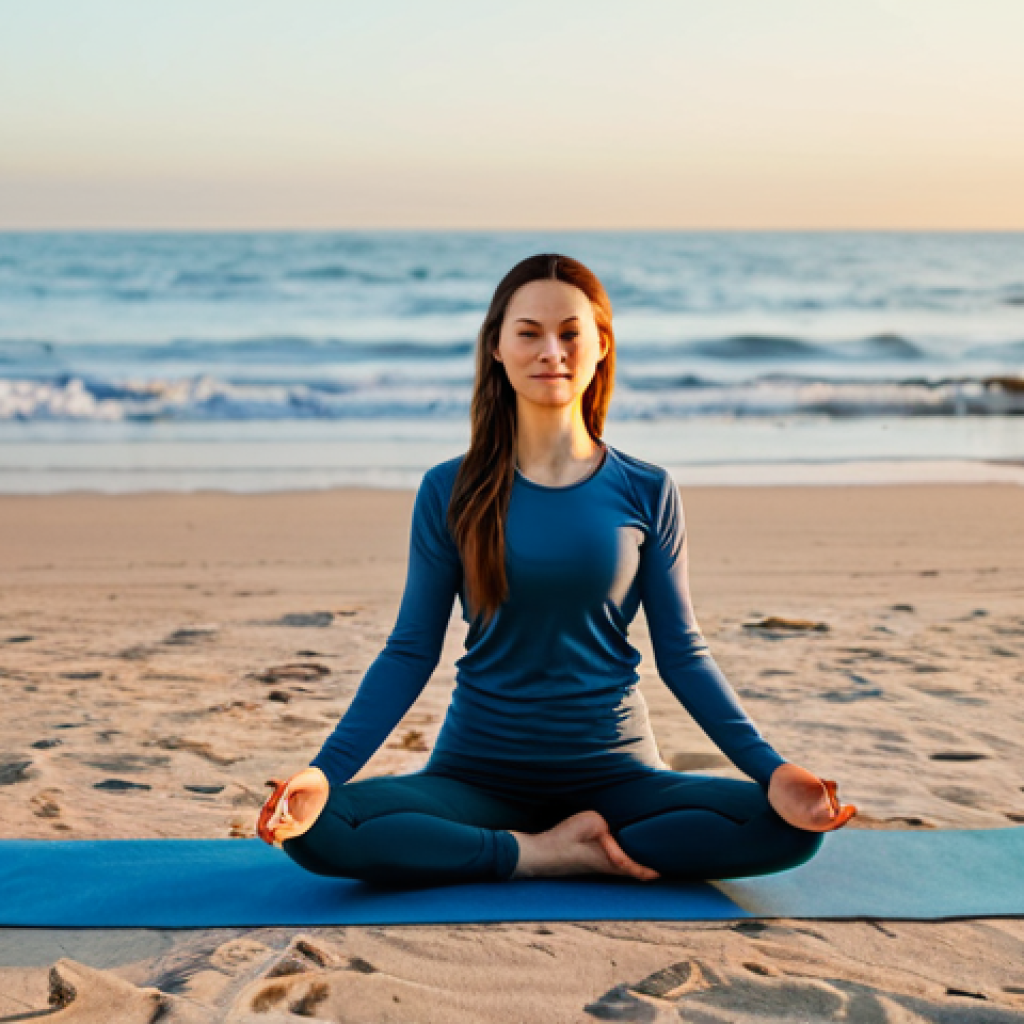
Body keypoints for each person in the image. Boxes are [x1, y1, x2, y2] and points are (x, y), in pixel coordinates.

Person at [258, 253, 856, 887]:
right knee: (318, 831)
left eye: (571, 333)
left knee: (787, 829)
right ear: (495, 346)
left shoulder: (648, 489)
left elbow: (683, 653)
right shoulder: (448, 490)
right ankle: (548, 853)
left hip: (618, 779)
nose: (552, 351)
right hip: (476, 776)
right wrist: (324, 773)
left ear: (601, 345)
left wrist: (772, 771)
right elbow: (410, 651)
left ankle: (516, 850)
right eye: (529, 333)